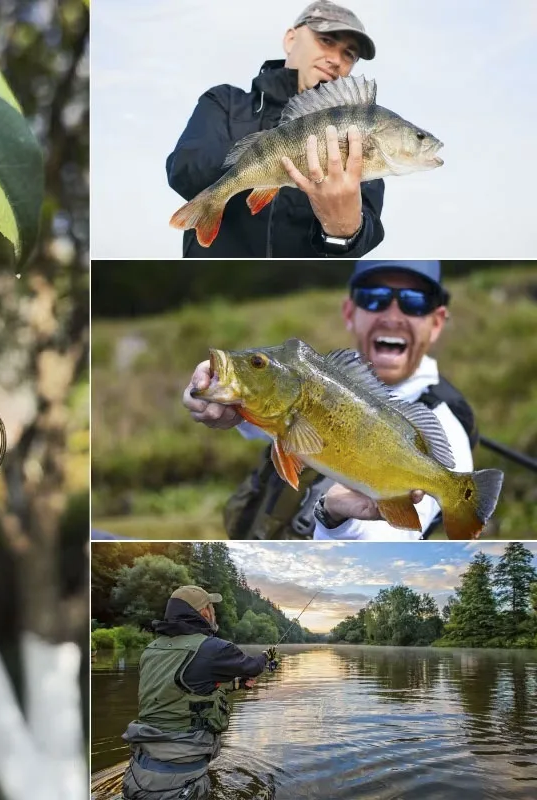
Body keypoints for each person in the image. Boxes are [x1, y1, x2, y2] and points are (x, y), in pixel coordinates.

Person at [182, 260, 479, 542]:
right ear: (350, 312)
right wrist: (225, 400)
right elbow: (273, 420)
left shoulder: (445, 420)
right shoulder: (313, 380)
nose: (392, 315)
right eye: (373, 297)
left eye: (415, 301)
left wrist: (336, 516)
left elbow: (397, 537)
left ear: (437, 322)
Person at [166, 1, 384, 259]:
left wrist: (346, 230)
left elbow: (363, 234)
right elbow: (184, 169)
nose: (336, 59)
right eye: (326, 40)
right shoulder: (224, 101)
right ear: (291, 39)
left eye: (349, 54)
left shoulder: (356, 133)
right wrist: (265, 162)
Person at [121, 585, 277, 800]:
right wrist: (265, 656)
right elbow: (253, 667)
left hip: (136, 777)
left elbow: (181, 688)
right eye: (212, 607)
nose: (214, 613)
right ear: (204, 612)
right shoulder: (213, 648)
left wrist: (237, 684)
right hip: (179, 787)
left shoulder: (152, 650)